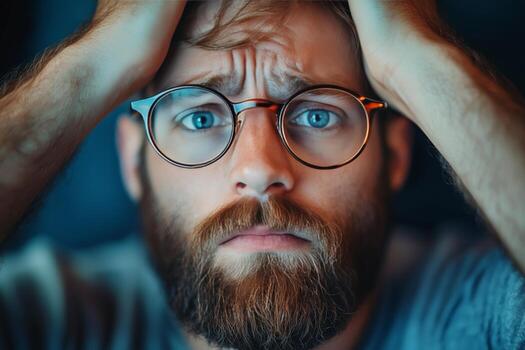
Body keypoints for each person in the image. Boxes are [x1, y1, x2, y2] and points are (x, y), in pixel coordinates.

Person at [0, 0, 524, 349]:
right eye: (200, 117)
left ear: (397, 154)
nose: (259, 169)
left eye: (317, 114)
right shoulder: (53, 318)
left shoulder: (473, 314)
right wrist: (93, 62)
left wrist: (418, 59)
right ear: (133, 162)